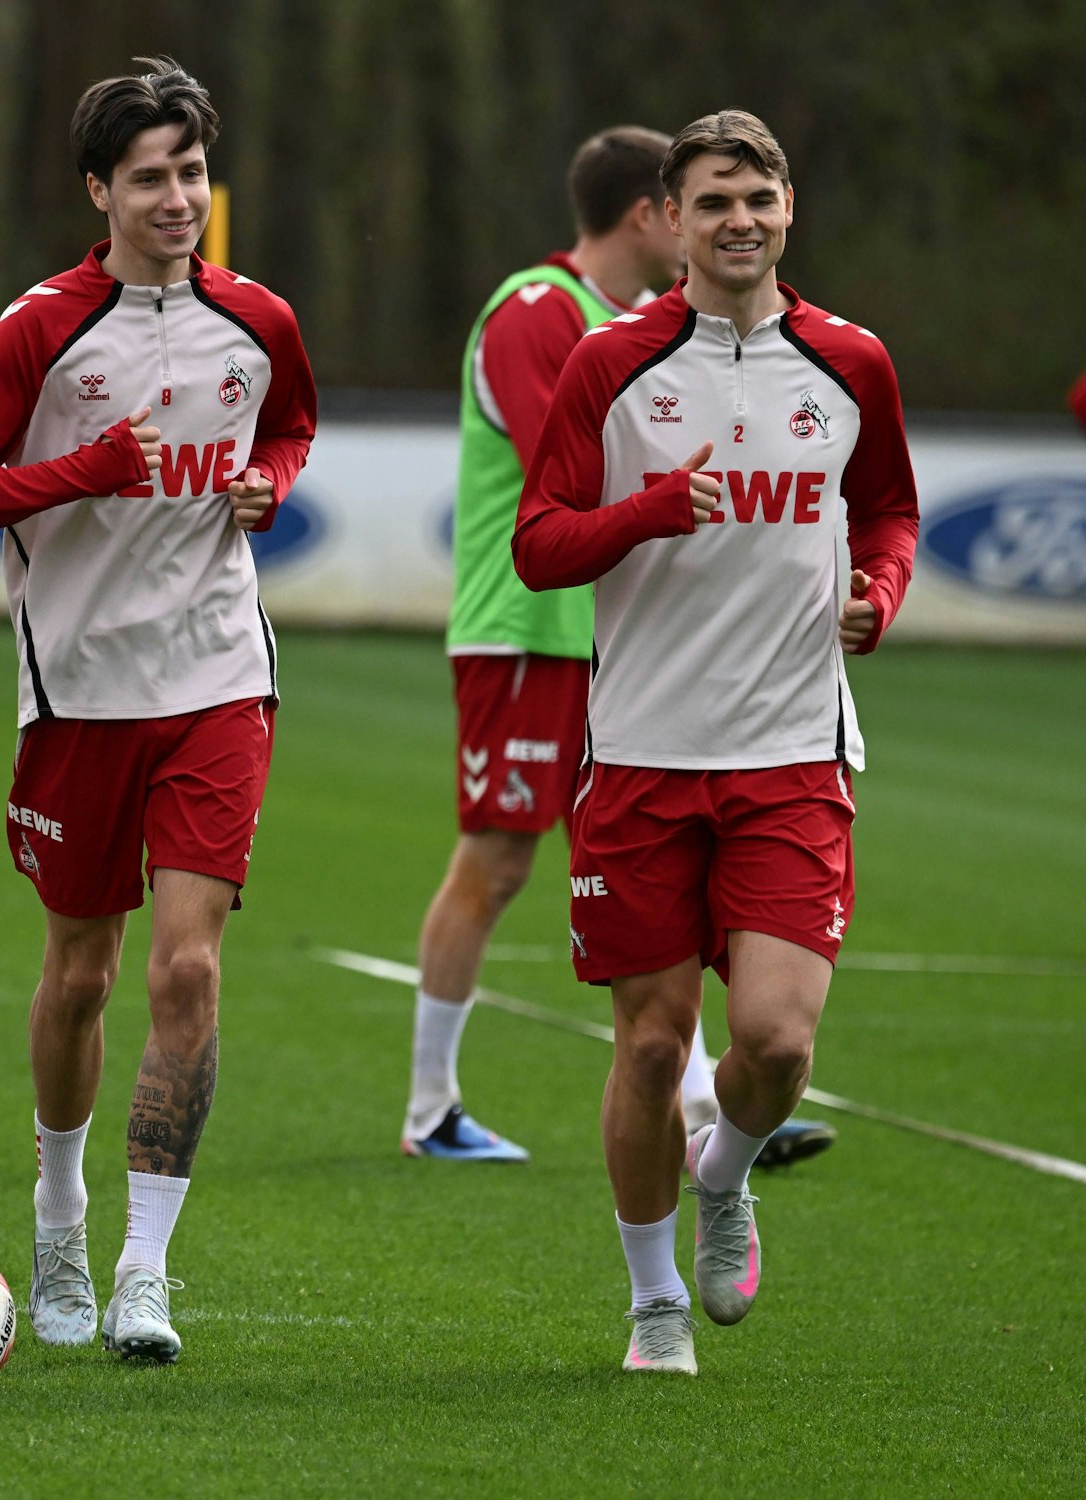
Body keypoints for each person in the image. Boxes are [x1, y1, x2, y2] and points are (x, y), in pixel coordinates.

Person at [0, 56, 315, 1364]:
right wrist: (81, 470)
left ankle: (145, 1268)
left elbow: (289, 427)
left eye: (191, 172)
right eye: (149, 178)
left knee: (186, 966)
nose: (177, 198)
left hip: (218, 677)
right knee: (79, 975)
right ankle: (59, 1217)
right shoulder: (40, 330)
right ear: (98, 190)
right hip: (77, 691)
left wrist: (269, 483)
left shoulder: (258, 320)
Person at [512, 110, 918, 1374]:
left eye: (757, 198)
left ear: (787, 208)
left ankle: (724, 1171)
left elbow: (887, 511)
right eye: (712, 202)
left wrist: (880, 592)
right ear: (671, 222)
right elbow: (539, 543)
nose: (738, 220)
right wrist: (643, 510)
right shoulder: (609, 363)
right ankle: (652, 1307)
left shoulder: (850, 362)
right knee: (647, 1046)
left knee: (778, 1041)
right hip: (639, 752)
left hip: (791, 751)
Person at [404, 126, 682, 1163]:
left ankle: (703, 1102)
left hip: (615, 637)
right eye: (682, 208)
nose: (697, 230)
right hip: (522, 630)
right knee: (498, 861)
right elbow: (565, 467)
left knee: (643, 860)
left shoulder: (646, 322)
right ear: (645, 214)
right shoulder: (535, 310)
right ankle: (429, 1109)